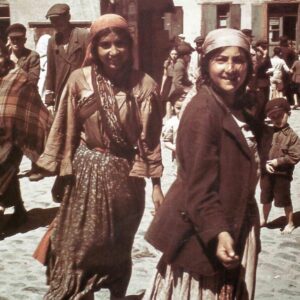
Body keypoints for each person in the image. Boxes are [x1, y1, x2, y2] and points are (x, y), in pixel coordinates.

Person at [35, 14, 164, 300]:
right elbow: (64, 127)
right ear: (94, 47)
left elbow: (150, 139)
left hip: (125, 178)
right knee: (78, 248)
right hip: (85, 171)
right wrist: (61, 171)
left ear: (130, 47)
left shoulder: (144, 85)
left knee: (117, 247)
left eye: (120, 44)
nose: (113, 51)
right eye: (105, 44)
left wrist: (156, 185)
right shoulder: (79, 80)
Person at [144, 28, 261, 300]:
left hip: (236, 219)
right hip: (203, 229)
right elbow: (198, 185)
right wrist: (218, 231)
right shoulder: (202, 110)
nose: (231, 68)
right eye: (221, 60)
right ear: (207, 64)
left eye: (238, 60)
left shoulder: (239, 105)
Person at [0, 40, 50, 230]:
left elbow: (31, 107)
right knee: (7, 175)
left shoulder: (19, 77)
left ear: (4, 55)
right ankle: (19, 212)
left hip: (14, 135)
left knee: (4, 169)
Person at [259, 98, 300, 234]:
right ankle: (264, 219)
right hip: (267, 172)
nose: (277, 119)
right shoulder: (268, 133)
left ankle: (290, 222)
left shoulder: (292, 136)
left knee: (284, 199)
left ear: (288, 113)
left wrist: (278, 162)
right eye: (273, 117)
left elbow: (295, 156)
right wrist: (265, 164)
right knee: (266, 198)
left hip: (282, 175)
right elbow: (262, 151)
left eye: (280, 115)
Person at [44, 3, 89, 111]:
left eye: (58, 19)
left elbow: (91, 63)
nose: (55, 23)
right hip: (62, 90)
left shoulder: (83, 35)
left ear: (68, 17)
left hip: (82, 89)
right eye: (52, 20)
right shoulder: (52, 41)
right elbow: (51, 71)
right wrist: (49, 97)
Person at [162, 97, 183, 176]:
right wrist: (175, 148)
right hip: (178, 158)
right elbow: (166, 141)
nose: (181, 111)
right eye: (178, 108)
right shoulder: (172, 122)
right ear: (173, 108)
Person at [279, 35, 297, 107]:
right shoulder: (290, 50)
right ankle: (290, 100)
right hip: (288, 70)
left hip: (280, 70)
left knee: (281, 86)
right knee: (288, 85)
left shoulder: (278, 49)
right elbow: (295, 60)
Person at [160, 48, 178, 119]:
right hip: (168, 81)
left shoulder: (178, 63)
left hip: (175, 81)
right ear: (170, 54)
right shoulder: (167, 62)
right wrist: (162, 88)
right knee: (168, 99)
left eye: (175, 54)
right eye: (172, 54)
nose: (174, 56)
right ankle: (168, 117)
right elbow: (164, 75)